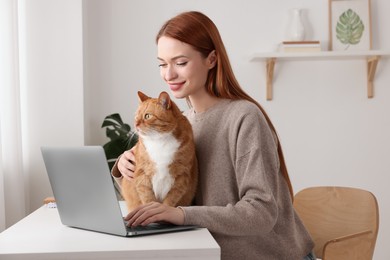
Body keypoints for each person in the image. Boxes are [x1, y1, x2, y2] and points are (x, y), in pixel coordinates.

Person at [111, 11, 315, 260]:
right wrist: (128, 170)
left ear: (211, 59)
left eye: (181, 62)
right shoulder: (181, 126)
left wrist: (182, 214)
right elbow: (175, 194)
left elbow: (261, 213)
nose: (169, 75)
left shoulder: (243, 117)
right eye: (162, 64)